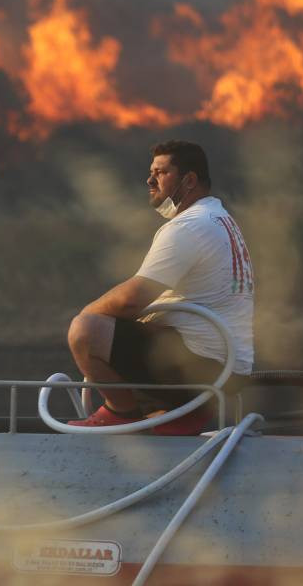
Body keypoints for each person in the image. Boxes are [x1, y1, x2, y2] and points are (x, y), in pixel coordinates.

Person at [66, 140, 254, 435]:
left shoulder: (189, 226)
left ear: (189, 180)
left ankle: (122, 415)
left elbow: (131, 300)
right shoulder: (218, 218)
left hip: (203, 370)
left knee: (86, 330)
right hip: (226, 368)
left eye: (161, 172)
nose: (149, 180)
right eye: (150, 172)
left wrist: (86, 316)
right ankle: (172, 413)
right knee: (119, 327)